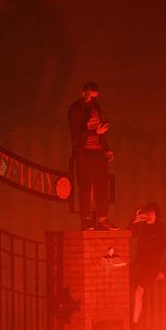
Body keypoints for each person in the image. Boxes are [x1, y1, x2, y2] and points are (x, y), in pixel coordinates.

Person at [66, 82, 115, 230]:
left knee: (101, 184)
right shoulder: (75, 109)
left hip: (97, 151)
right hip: (83, 152)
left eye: (96, 98)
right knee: (86, 186)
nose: (94, 100)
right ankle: (86, 219)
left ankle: (102, 218)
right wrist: (95, 133)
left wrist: (106, 148)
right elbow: (76, 134)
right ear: (84, 94)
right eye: (91, 97)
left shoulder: (96, 108)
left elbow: (100, 131)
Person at [129, 202, 166, 324]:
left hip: (151, 268)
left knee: (139, 291)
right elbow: (128, 233)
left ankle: (134, 323)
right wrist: (136, 220)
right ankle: (128, 318)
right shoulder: (143, 228)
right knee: (127, 288)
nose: (148, 216)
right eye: (146, 213)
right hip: (138, 264)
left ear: (157, 215)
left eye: (151, 213)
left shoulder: (164, 230)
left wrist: (163, 270)